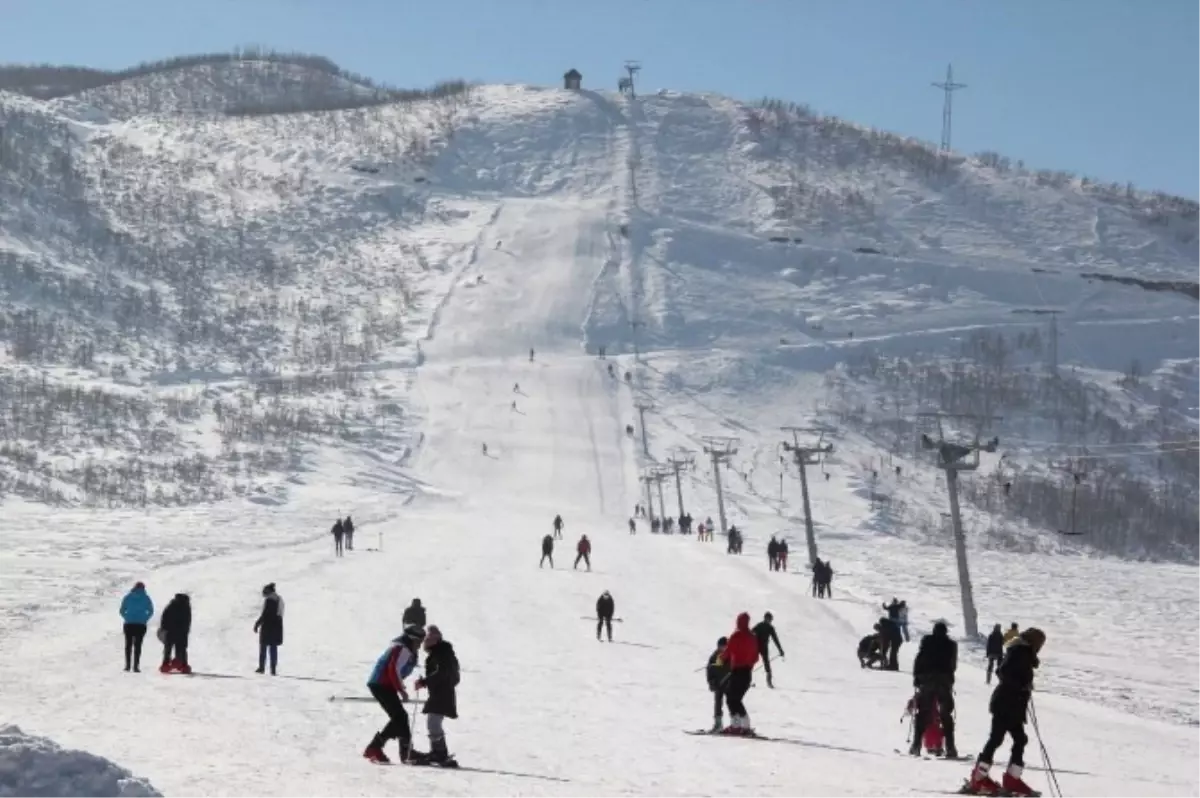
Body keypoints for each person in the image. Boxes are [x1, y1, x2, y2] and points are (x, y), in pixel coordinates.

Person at [966, 628, 1047, 796]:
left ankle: (999, 778)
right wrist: (1021, 686)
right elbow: (1002, 672)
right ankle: (987, 779)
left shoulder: (1022, 652)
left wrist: (1023, 687)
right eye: (1041, 643)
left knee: (1014, 739)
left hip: (1011, 704)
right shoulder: (1019, 652)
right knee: (1000, 738)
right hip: (1006, 703)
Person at [363, 625, 425, 764]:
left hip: (383, 684)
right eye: (419, 642)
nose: (420, 645)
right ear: (412, 639)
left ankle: (405, 751)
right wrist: (401, 690)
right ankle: (377, 747)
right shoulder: (403, 648)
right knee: (399, 717)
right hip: (381, 684)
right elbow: (393, 669)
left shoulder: (401, 647)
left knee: (400, 717)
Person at [909, 621, 959, 758]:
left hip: (927, 680)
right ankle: (950, 747)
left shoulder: (926, 642)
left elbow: (919, 659)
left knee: (923, 712)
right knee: (945, 713)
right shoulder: (951, 645)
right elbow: (953, 665)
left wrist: (917, 677)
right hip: (943, 681)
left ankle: (916, 745)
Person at [413, 625, 460, 766]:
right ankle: (438, 752)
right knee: (433, 722)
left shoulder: (442, 654)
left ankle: (439, 753)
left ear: (435, 640)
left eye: (427, 640)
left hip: (442, 694)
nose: (424, 644)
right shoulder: (443, 653)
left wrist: (425, 681)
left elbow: (443, 673)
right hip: (442, 692)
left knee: (433, 722)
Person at [718, 613, 760, 735]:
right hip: (747, 673)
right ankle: (742, 725)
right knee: (736, 699)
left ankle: (738, 726)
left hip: (737, 671)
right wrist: (750, 665)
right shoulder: (753, 637)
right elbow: (756, 657)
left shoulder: (736, 635)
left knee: (732, 698)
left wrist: (721, 658)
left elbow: (729, 651)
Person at [119, 581, 154, 672]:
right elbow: (150, 611)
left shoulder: (128, 597)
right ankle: (136, 666)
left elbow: (122, 610)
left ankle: (127, 666)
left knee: (128, 645)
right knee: (138, 645)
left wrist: (126, 617)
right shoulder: (146, 598)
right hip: (141, 624)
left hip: (129, 623)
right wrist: (144, 618)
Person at [254, 583, 284, 675]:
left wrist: (257, 624)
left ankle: (262, 667)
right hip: (277, 626)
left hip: (268, 626)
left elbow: (265, 614)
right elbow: (280, 614)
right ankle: (273, 669)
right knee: (273, 648)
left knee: (263, 647)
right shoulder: (279, 599)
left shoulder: (269, 600)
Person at [159, 593, 192, 674]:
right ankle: (183, 665)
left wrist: (164, 628)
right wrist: (186, 630)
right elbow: (188, 620)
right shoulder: (186, 607)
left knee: (168, 649)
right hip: (182, 632)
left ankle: (165, 665)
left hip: (170, 631)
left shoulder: (171, 605)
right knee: (182, 649)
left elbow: (164, 617)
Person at [752, 612, 785, 688]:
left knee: (766, 663)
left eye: (770, 620)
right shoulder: (759, 625)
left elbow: (775, 639)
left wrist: (780, 650)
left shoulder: (770, 628)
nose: (769, 621)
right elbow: (751, 633)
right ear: (765, 618)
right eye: (769, 619)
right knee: (751, 662)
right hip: (756, 646)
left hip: (764, 647)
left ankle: (769, 682)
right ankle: (747, 679)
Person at [706, 636, 730, 732]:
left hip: (728, 683)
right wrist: (711, 683)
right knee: (718, 703)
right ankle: (718, 723)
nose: (723, 649)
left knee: (731, 702)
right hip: (718, 684)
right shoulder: (714, 656)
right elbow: (709, 671)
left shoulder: (730, 656)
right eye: (721, 647)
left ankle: (735, 723)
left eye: (725, 647)